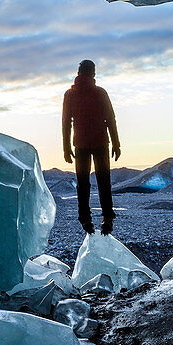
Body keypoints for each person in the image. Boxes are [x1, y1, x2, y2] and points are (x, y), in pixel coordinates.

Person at [62, 59, 121, 235]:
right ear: (93, 73)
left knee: (82, 183)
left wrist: (66, 146)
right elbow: (110, 119)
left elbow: (66, 123)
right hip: (101, 142)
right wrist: (116, 143)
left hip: (80, 143)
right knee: (104, 181)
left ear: (79, 73)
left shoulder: (70, 94)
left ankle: (85, 218)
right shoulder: (100, 93)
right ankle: (107, 218)